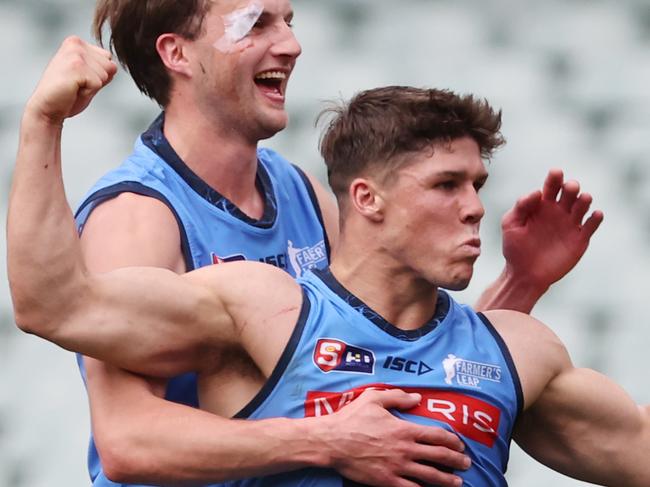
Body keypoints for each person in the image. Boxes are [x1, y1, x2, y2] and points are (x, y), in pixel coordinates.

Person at [15, 1, 602, 486]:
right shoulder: (139, 216)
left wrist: (522, 282)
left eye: (289, 20)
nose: (291, 44)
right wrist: (327, 440)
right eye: (259, 22)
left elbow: (418, 368)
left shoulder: (301, 193)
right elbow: (127, 441)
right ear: (177, 54)